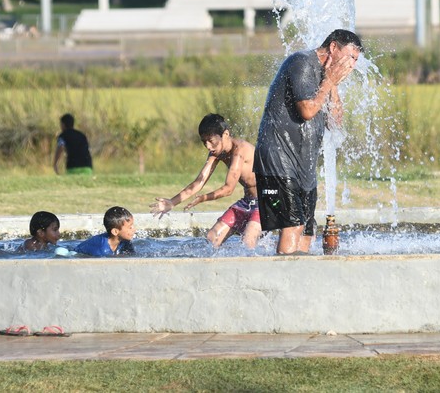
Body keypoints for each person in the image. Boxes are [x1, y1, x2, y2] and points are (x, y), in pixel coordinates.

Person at [254, 29, 362, 254]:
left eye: (355, 60)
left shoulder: (327, 78)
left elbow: (335, 122)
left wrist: (333, 85)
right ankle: (284, 282)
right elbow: (307, 110)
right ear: (333, 48)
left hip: (303, 164)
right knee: (293, 224)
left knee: (307, 230)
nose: (351, 65)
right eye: (350, 57)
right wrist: (329, 81)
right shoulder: (301, 63)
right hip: (277, 159)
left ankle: (300, 281)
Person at [150, 114, 262, 249]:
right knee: (211, 238)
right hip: (248, 202)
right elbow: (199, 182)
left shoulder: (240, 150)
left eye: (211, 141)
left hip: (268, 201)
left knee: (248, 242)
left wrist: (203, 198)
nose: (208, 146)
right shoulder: (216, 152)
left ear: (225, 134)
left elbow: (228, 189)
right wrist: (172, 202)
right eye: (204, 142)